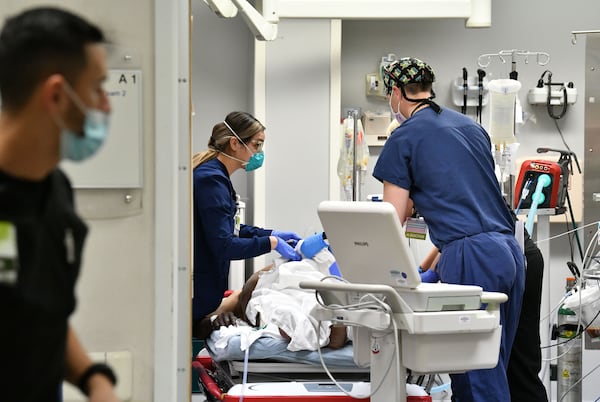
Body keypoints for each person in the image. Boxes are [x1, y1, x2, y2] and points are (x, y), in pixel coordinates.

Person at [373, 57, 525, 402]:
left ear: (395, 92)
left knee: (474, 378)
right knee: (493, 366)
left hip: (470, 255)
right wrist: (428, 265)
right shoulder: (471, 128)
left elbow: (389, 219)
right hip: (508, 250)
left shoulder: (405, 137)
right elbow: (469, 200)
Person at [0, 7, 119, 402]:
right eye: (98, 87)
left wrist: (93, 379)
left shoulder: (56, 192)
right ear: (55, 95)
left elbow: (38, 312)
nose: (106, 104)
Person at [192, 111, 302, 338]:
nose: (259, 153)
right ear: (234, 143)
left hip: (206, 292)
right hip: (198, 289)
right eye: (257, 145)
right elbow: (224, 244)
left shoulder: (215, 175)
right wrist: (271, 243)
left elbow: (227, 227)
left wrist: (271, 233)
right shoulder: (211, 180)